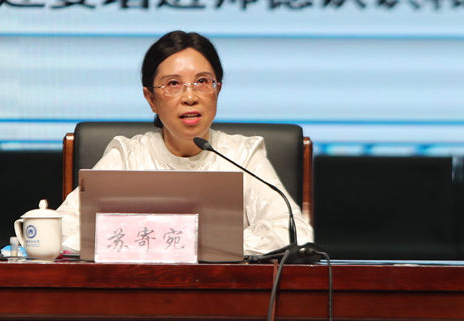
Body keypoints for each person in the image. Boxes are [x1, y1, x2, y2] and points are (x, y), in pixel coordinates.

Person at [57, 30, 313, 255]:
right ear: (150, 98)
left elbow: (294, 232)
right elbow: (61, 229)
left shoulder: (242, 156)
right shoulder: (128, 156)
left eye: (202, 82)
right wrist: (189, 242)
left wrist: (184, 242)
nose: (190, 97)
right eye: (173, 84)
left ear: (217, 89)